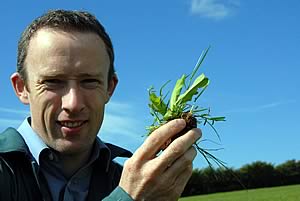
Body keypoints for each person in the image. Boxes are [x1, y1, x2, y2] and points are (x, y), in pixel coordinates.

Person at [0, 9, 201, 201]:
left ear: (109, 88)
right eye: (53, 81)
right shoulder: (134, 191)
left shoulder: (128, 182)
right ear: (22, 88)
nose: (73, 104)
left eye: (89, 82)